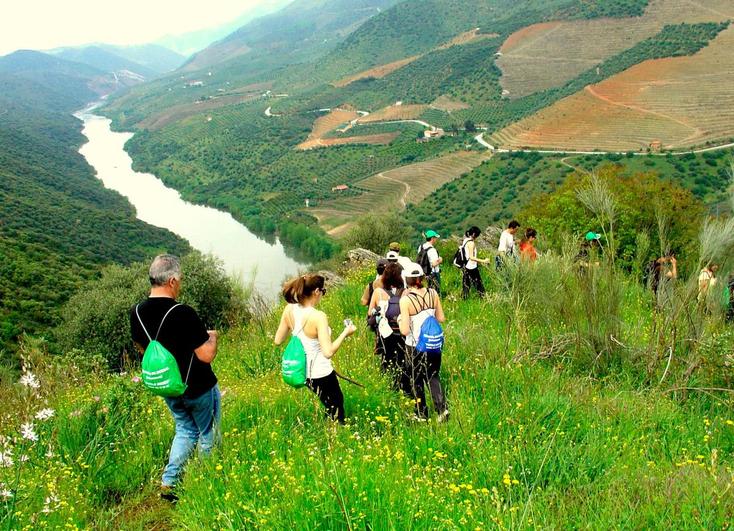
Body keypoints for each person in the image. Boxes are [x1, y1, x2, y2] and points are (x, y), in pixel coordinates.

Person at [130, 254, 220, 502]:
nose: (179, 285)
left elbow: (142, 347)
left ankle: (170, 483)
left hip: (168, 386)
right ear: (171, 281)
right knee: (207, 432)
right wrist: (213, 337)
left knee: (184, 430)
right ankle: (205, 483)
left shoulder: (136, 312)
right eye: (178, 281)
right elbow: (205, 355)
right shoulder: (183, 312)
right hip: (198, 387)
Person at [274, 274, 356, 424]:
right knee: (336, 406)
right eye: (323, 291)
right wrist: (346, 332)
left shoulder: (289, 309)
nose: (322, 295)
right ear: (317, 291)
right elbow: (328, 352)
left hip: (303, 372)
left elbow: (278, 340)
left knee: (328, 403)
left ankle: (330, 429)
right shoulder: (318, 316)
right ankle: (336, 436)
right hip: (320, 372)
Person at [399, 263, 448, 421]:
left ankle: (422, 414)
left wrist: (400, 320)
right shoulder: (432, 293)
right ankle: (442, 410)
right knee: (433, 375)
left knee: (416, 379)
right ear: (421, 278)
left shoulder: (406, 300)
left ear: (407, 279)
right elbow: (441, 318)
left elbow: (405, 330)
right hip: (433, 343)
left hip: (414, 345)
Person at [368, 263, 408, 391]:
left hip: (386, 332)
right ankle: (402, 385)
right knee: (402, 358)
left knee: (387, 358)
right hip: (401, 330)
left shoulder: (378, 292)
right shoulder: (405, 292)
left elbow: (370, 313)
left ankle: (387, 386)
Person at [461, 226, 491, 299]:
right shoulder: (471, 243)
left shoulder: (466, 240)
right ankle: (483, 298)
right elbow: (471, 257)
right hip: (471, 267)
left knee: (466, 284)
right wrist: (483, 261)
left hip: (466, 265)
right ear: (474, 234)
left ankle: (464, 299)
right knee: (478, 283)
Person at [417, 230, 443, 294]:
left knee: (426, 292)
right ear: (432, 238)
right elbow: (433, 264)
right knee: (435, 293)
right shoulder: (432, 250)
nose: (436, 239)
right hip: (433, 273)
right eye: (435, 238)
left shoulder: (421, 247)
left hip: (423, 273)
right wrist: (440, 260)